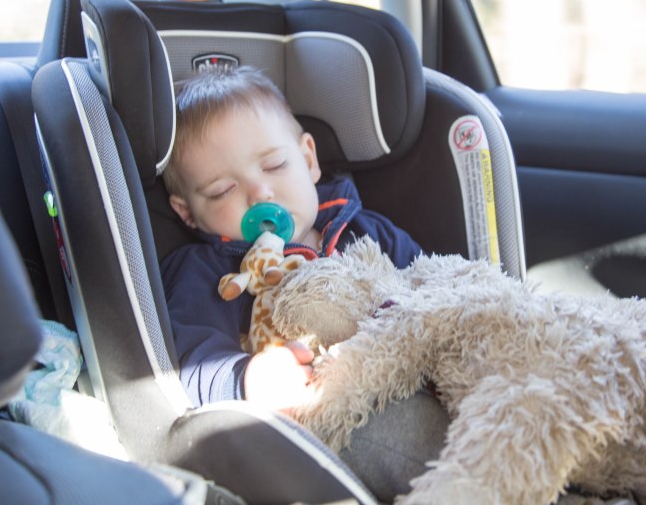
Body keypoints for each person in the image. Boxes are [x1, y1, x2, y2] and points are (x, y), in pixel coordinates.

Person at [160, 65, 448, 500]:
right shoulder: (208, 272)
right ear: (187, 212)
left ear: (308, 160)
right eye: (221, 190)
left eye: (275, 165)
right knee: (426, 447)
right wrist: (245, 379)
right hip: (334, 417)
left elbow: (437, 286)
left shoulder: (367, 232)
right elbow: (192, 360)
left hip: (419, 374)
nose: (260, 194)